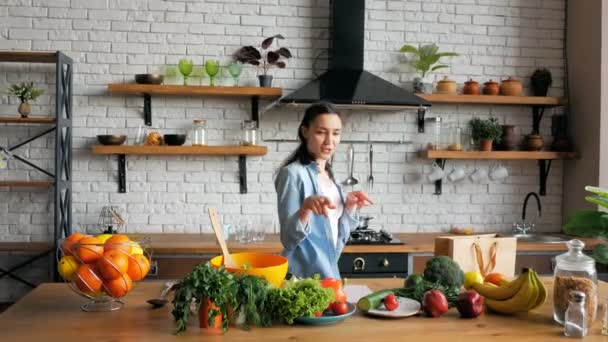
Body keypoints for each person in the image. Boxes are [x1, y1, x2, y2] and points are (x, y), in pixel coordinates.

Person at [274, 102, 372, 279]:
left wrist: (350, 206)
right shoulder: (293, 173)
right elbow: (288, 239)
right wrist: (305, 209)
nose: (329, 141)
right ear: (305, 132)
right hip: (300, 279)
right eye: (321, 132)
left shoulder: (330, 176)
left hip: (328, 275)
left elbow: (336, 232)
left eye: (336, 133)